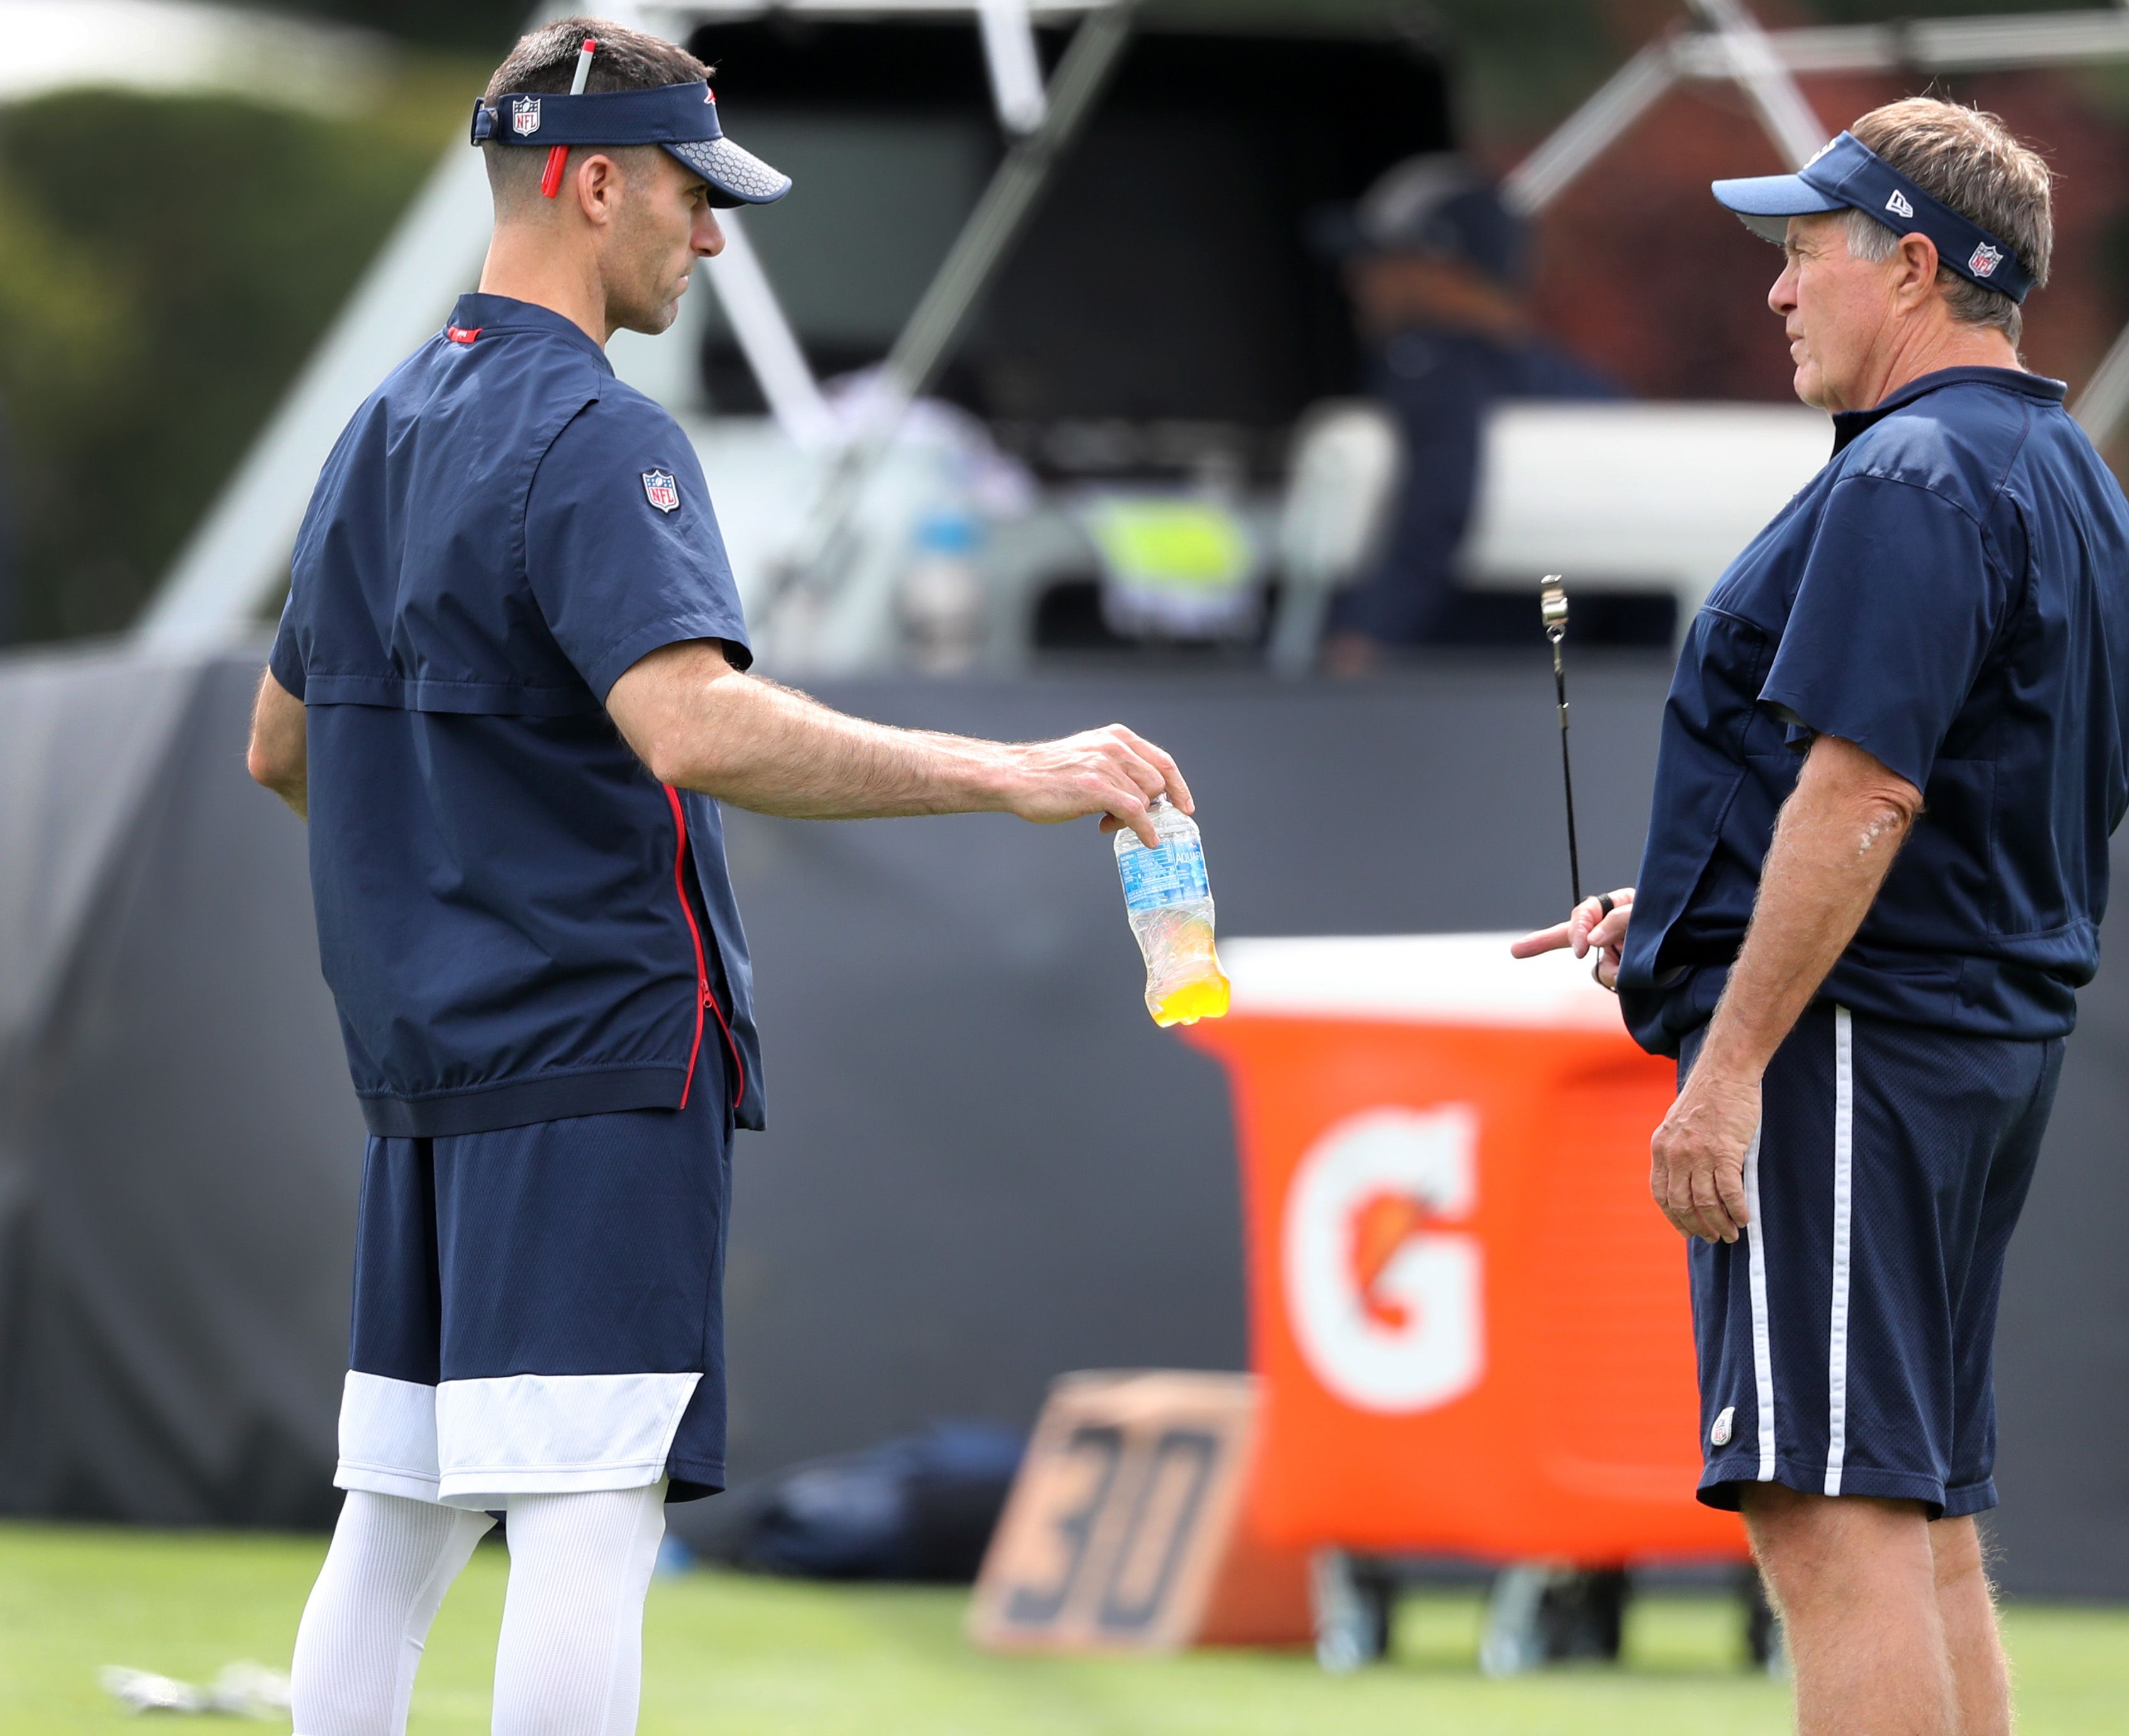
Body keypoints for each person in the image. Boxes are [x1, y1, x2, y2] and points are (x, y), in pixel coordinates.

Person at [244, 20, 1192, 1735]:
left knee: (396, 1525)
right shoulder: (600, 434)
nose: (712, 234)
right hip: (592, 1056)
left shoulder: (377, 430)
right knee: (587, 1521)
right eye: (690, 191)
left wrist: (450, 880)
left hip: (423, 1069)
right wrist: (1016, 772)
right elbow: (690, 726)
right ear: (591, 178)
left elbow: (279, 748)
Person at [1513, 100, 2129, 1733]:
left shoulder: (1915, 471)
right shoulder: (2064, 475)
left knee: (1831, 1514)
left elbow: (1863, 796)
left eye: (1805, 255)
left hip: (1860, 1047)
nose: (1780, 293)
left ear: (1915, 269)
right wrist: (1684, 901)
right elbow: (1955, 784)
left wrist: (1725, 1068)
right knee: (1915, 1510)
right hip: (1964, 1046)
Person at [1313, 155, 1617, 672]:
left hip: (1423, 703)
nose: (1355, 278)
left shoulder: (1426, 361)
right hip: (1553, 704)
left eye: (1382, 259)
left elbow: (1439, 504)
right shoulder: (1591, 391)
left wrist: (1365, 634)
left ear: (1444, 269)